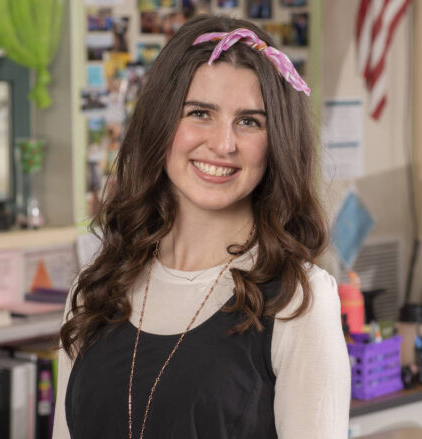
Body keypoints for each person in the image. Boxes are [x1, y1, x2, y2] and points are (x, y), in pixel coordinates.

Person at [54, 14, 350, 439]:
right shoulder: (96, 289)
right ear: (161, 123)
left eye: (250, 121)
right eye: (199, 113)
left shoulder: (300, 301)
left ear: (276, 143)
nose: (223, 143)